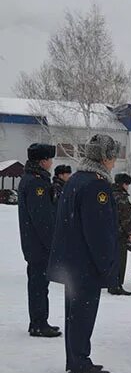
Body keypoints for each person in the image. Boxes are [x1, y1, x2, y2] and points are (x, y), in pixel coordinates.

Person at [47, 134, 120, 373]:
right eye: (113, 155)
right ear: (104, 157)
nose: (114, 161)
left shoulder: (77, 179)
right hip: (85, 263)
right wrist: (106, 262)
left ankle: (75, 357)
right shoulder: (97, 184)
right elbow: (97, 230)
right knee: (82, 314)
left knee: (74, 313)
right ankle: (79, 361)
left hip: (73, 260)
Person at [18, 143, 61, 338]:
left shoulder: (34, 179)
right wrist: (53, 244)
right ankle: (38, 323)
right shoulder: (36, 183)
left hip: (34, 243)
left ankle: (38, 321)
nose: (51, 163)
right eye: (50, 159)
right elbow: (43, 219)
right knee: (38, 285)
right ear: (43, 161)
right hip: (38, 245)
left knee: (38, 284)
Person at [109, 173, 131, 296]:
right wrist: (130, 233)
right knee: (120, 260)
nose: (127, 187)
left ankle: (112, 283)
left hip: (111, 233)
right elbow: (126, 218)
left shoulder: (110, 193)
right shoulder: (121, 197)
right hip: (120, 234)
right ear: (123, 184)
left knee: (113, 259)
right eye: (127, 184)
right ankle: (116, 285)